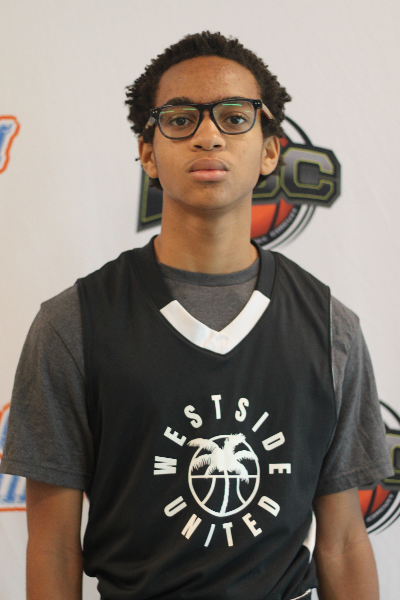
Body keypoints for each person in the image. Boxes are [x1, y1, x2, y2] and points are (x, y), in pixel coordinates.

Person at [0, 31, 393, 600]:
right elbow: (53, 545)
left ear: (269, 150)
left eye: (234, 118)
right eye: (181, 119)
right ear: (147, 153)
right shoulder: (72, 324)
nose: (208, 135)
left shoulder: (331, 329)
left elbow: (344, 542)